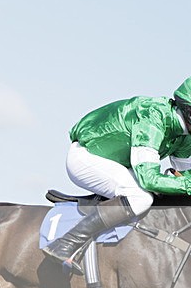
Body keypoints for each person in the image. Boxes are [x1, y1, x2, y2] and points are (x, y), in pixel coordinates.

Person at [43, 77, 191, 273]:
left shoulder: (184, 136)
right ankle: (65, 243)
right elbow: (149, 179)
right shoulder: (153, 118)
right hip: (87, 158)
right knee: (141, 198)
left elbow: (183, 176)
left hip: (118, 162)